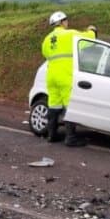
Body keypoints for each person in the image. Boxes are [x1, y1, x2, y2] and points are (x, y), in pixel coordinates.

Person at [41, 10, 97, 147]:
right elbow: (88, 39)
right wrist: (92, 30)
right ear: (61, 22)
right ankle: (70, 138)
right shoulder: (70, 34)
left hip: (51, 76)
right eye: (66, 20)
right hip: (65, 76)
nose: (67, 22)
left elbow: (46, 54)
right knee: (69, 106)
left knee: (54, 106)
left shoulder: (47, 40)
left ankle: (51, 135)